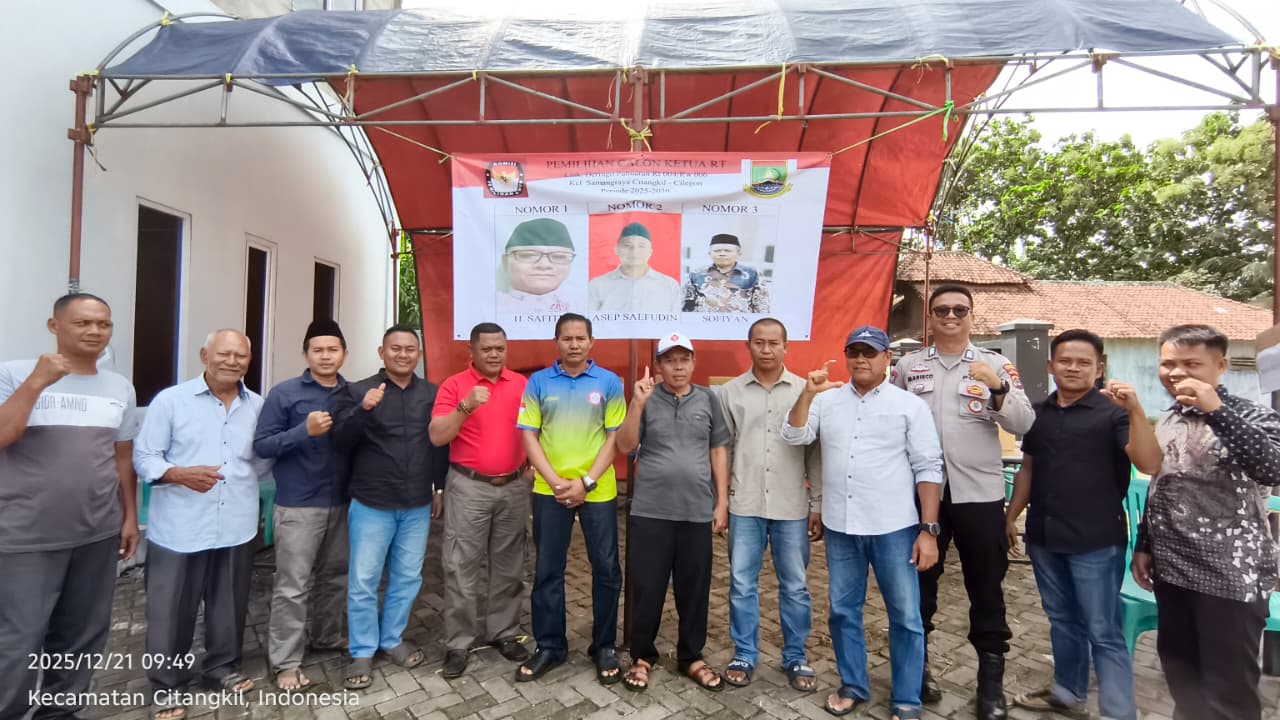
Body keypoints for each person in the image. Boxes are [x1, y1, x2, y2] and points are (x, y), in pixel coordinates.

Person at [783, 325, 943, 720]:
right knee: (842, 611)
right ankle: (853, 684)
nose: (860, 359)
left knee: (905, 616)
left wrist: (928, 530)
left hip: (894, 527)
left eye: (869, 352)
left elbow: (928, 468)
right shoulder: (827, 401)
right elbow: (794, 434)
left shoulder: (909, 406)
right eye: (854, 352)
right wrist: (807, 393)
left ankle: (907, 698)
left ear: (887, 358)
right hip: (842, 527)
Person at [891, 283, 1033, 720]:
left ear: (971, 315)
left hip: (979, 494)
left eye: (959, 309)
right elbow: (890, 419)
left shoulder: (995, 364)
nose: (951, 316)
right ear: (930, 318)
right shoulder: (908, 365)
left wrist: (998, 389)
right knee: (919, 587)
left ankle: (990, 687)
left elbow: (1025, 422)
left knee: (986, 587)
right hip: (922, 495)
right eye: (942, 310)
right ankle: (918, 671)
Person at [1005, 329, 1158, 720]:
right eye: (1066, 361)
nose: (1073, 368)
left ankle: (1118, 712)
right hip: (1044, 536)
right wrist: (1011, 516)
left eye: (1084, 362)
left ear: (1099, 367)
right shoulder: (1038, 412)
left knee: (1103, 630)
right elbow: (1028, 469)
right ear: (1050, 365)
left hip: (1096, 542)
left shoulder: (1114, 413)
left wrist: (1136, 411)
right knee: (1062, 620)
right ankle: (1068, 693)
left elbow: (1148, 463)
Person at [0, 293, 140, 720]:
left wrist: (130, 517)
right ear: (54, 326)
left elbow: (121, 457)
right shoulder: (15, 373)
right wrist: (36, 382)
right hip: (26, 535)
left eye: (104, 324)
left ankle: (60, 712)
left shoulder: (120, 387)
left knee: (81, 636)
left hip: (97, 531)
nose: (95, 331)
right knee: (19, 639)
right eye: (83, 323)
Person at [1131, 324, 1280, 720]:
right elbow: (1161, 484)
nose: (1176, 373)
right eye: (1168, 364)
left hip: (1231, 578)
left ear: (1221, 366)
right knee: (1183, 679)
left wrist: (1217, 412)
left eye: (1191, 364)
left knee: (1228, 692)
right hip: (1174, 572)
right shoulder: (1170, 418)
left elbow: (1272, 468)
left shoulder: (1254, 415)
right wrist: (1144, 544)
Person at [134, 329, 266, 717]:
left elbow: (262, 461)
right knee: (171, 611)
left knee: (229, 603)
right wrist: (178, 474)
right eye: (224, 353)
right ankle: (167, 684)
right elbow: (144, 457)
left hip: (236, 522)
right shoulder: (171, 401)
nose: (232, 361)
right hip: (181, 526)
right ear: (204, 355)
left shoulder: (257, 406)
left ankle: (221, 667)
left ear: (249, 361)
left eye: (240, 355)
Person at [329, 325, 449, 690]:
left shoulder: (431, 393)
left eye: (410, 349)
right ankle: (362, 650)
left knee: (408, 577)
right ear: (382, 353)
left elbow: (438, 445)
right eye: (395, 348)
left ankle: (392, 638)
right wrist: (363, 410)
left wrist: (439, 488)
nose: (403, 354)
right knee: (364, 580)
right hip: (372, 502)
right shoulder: (357, 391)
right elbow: (339, 440)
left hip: (416, 504)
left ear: (419, 355)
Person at [615, 332, 731, 693]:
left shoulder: (708, 399)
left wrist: (722, 501)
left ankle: (690, 656)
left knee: (694, 588)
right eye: (669, 360)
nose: (678, 367)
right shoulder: (646, 398)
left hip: (696, 511)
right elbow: (625, 445)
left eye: (684, 359)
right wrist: (637, 404)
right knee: (647, 586)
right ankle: (642, 656)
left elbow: (718, 449)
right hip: (651, 511)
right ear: (659, 365)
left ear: (693, 363)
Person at [515, 313, 626, 685]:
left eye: (581, 338)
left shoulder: (609, 383)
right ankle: (550, 646)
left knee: (606, 570)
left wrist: (587, 482)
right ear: (557, 342)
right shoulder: (538, 382)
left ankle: (604, 646)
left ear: (592, 342)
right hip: (550, 491)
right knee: (548, 570)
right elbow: (529, 435)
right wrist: (555, 481)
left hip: (598, 491)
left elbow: (615, 438)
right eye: (567, 338)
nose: (574, 344)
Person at [717, 318, 823, 692]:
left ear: (785, 347)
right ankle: (744, 653)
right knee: (742, 584)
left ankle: (795, 656)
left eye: (773, 343)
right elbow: (723, 450)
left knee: (795, 586)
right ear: (748, 346)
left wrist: (816, 504)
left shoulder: (806, 391)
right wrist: (721, 501)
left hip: (791, 505)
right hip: (744, 503)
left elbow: (814, 452)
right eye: (759, 342)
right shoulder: (729, 393)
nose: (766, 349)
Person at [429, 322, 533, 679]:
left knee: (509, 564)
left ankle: (504, 631)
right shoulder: (455, 385)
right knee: (461, 566)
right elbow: (437, 436)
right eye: (486, 348)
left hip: (514, 486)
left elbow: (537, 429)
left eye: (499, 348)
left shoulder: (521, 384)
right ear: (471, 351)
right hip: (469, 487)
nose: (494, 354)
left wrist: (531, 466)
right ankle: (459, 642)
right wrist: (466, 406)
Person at [253, 319, 351, 691]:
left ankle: (327, 635)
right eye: (318, 350)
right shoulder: (284, 394)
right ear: (306, 354)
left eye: (332, 349)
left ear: (344, 354)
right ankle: (286, 662)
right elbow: (263, 445)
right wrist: (302, 431)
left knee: (335, 577)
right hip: (298, 505)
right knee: (293, 586)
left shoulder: (352, 393)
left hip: (343, 502)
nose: (325, 356)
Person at [587, 222, 681, 313]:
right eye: (627, 245)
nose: (634, 251)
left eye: (641, 246)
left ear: (650, 252)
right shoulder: (597, 285)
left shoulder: (670, 286)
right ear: (616, 250)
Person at [497, 217, 580, 315]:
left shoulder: (581, 306)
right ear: (505, 262)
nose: (544, 265)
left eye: (558, 256)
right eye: (528, 256)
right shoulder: (489, 305)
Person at [682, 233, 770, 313]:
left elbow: (763, 306)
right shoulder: (696, 275)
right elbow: (686, 307)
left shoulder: (753, 274)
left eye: (727, 251)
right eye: (717, 251)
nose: (722, 254)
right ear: (709, 253)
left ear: (739, 253)